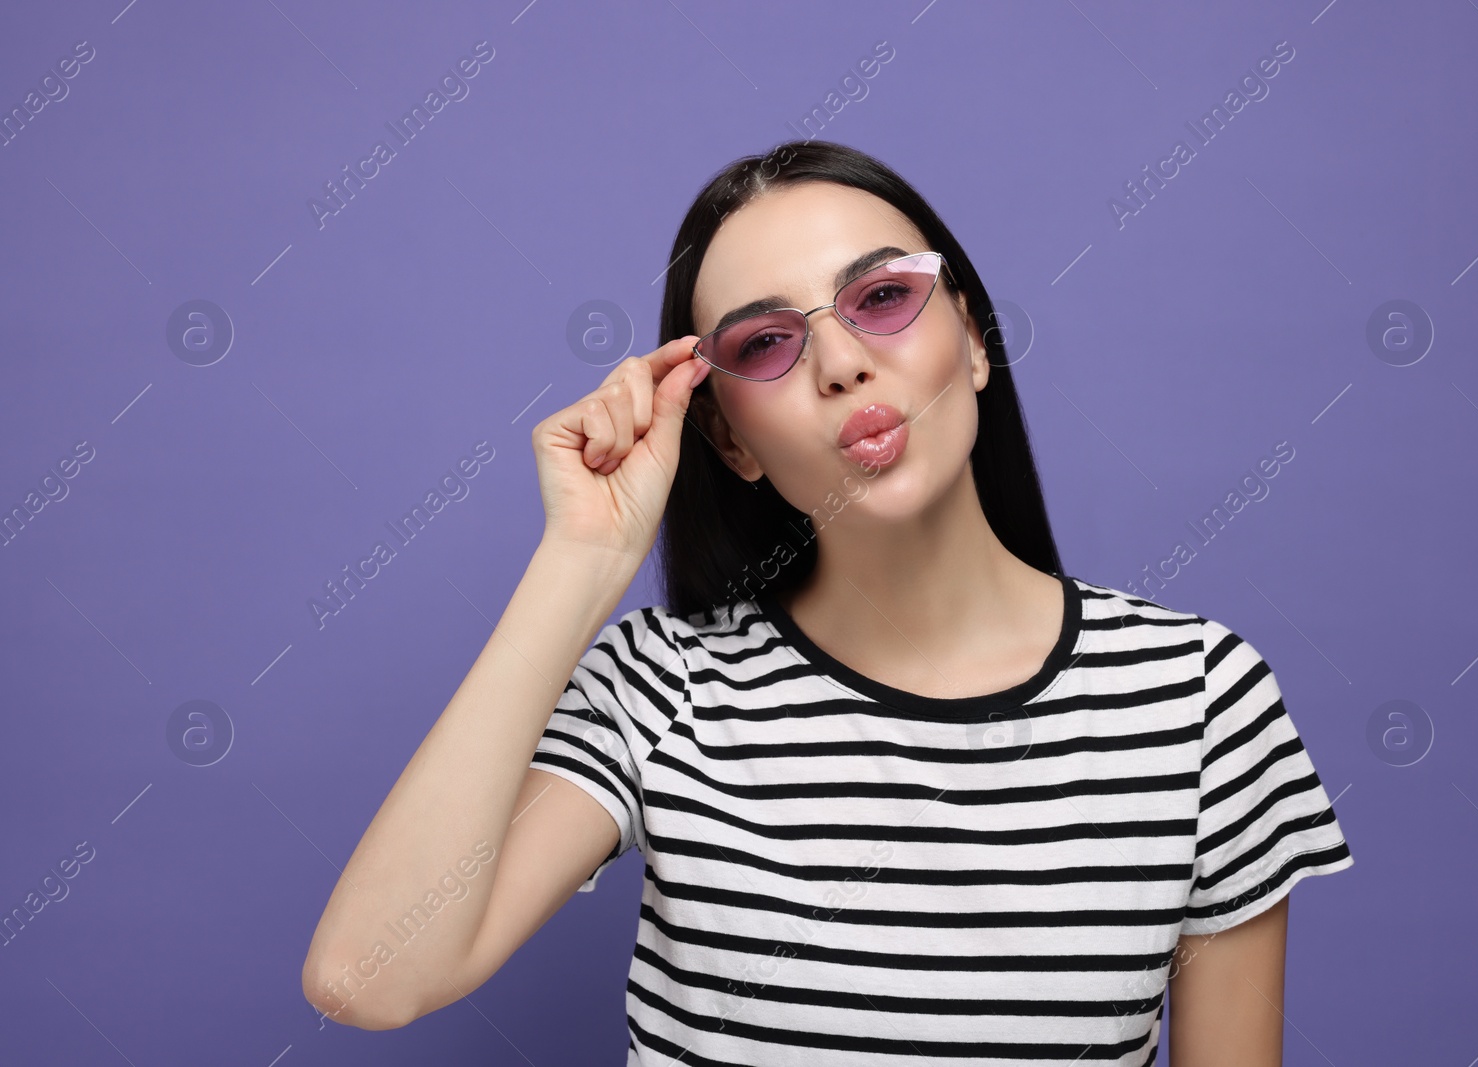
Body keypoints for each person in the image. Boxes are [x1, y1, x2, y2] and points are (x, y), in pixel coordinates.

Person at [302, 140, 1355, 1065]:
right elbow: (367, 976)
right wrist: (583, 555)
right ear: (729, 441)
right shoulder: (662, 687)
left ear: (976, 340)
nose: (843, 363)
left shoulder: (1197, 697)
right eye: (765, 343)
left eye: (883, 296)